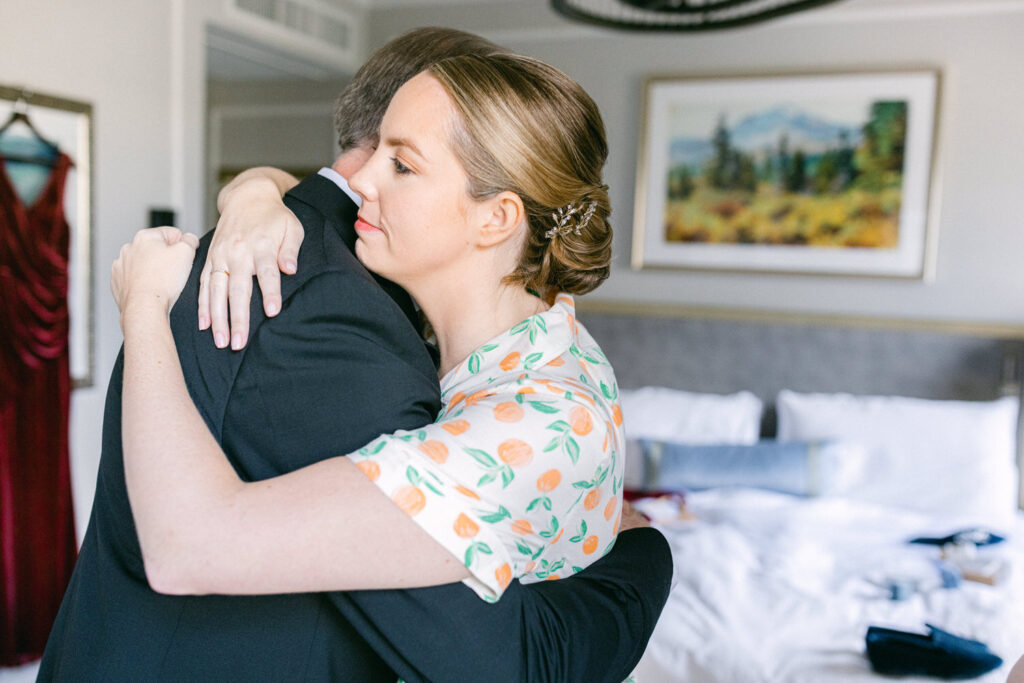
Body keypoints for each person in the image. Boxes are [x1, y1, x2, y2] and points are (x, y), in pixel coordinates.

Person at [40, 29, 672, 682]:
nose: (359, 175)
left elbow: (509, 653)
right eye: (377, 150)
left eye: (401, 162)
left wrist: (142, 305)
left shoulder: (527, 421)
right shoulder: (533, 318)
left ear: (496, 218)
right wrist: (254, 188)